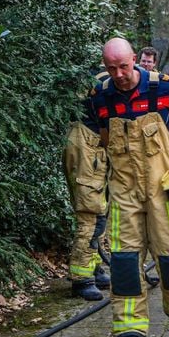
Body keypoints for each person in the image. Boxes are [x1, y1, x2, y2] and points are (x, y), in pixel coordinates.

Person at [91, 38, 169, 337]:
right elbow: (103, 140)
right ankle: (129, 329)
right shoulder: (101, 96)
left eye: (124, 66)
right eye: (111, 68)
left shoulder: (165, 89)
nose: (119, 74)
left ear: (134, 60)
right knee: (125, 262)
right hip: (124, 191)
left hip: (163, 187)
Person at [62, 72, 113, 301]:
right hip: (87, 150)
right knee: (90, 215)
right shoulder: (107, 87)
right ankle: (81, 279)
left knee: (99, 212)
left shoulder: (104, 81)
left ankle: (93, 267)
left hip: (91, 147)